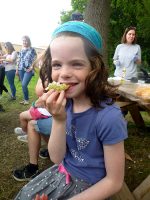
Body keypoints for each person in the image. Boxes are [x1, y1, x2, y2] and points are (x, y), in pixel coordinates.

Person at [14, 21, 128, 200]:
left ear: (94, 68)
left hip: (92, 187)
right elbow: (57, 157)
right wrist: (59, 120)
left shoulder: (108, 117)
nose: (64, 73)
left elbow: (114, 182)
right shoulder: (65, 103)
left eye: (76, 64)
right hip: (63, 171)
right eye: (57, 65)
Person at [13, 77, 52, 181]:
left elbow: (39, 92)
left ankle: (33, 168)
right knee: (36, 122)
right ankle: (51, 150)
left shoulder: (51, 74)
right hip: (57, 114)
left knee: (33, 124)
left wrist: (43, 78)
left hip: (62, 116)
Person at [17, 35, 37, 105]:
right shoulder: (21, 49)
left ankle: (26, 99)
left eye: (26, 40)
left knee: (24, 84)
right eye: (23, 40)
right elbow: (18, 60)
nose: (24, 42)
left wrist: (31, 68)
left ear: (28, 41)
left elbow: (35, 60)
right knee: (23, 85)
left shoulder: (32, 49)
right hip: (20, 69)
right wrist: (17, 69)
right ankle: (25, 99)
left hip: (29, 70)